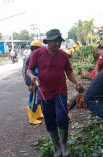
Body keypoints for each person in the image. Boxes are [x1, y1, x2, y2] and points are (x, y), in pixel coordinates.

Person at [27, 29, 83, 157]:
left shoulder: (63, 55)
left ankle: (64, 143)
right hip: (44, 92)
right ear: (47, 41)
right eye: (54, 41)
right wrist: (32, 77)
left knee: (62, 117)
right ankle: (56, 145)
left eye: (59, 41)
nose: (57, 44)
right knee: (50, 120)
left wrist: (76, 82)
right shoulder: (37, 54)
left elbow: (69, 72)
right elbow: (29, 70)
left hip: (60, 91)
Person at [23, 40, 44, 125]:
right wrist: (30, 84)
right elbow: (26, 72)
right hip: (33, 81)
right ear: (35, 48)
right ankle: (32, 117)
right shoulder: (29, 57)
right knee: (34, 98)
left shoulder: (35, 56)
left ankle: (38, 113)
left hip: (37, 80)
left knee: (38, 98)